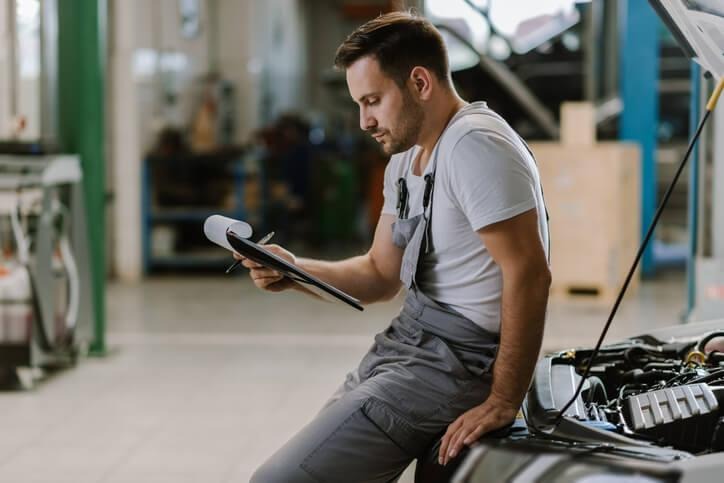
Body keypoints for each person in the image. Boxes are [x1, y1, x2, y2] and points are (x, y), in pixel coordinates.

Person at [242, 11, 551, 483]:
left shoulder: (475, 146)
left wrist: (504, 399)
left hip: (458, 363)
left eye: (373, 101)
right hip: (407, 344)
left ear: (420, 83)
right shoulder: (407, 158)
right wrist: (293, 270)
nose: (364, 121)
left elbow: (530, 273)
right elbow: (380, 275)